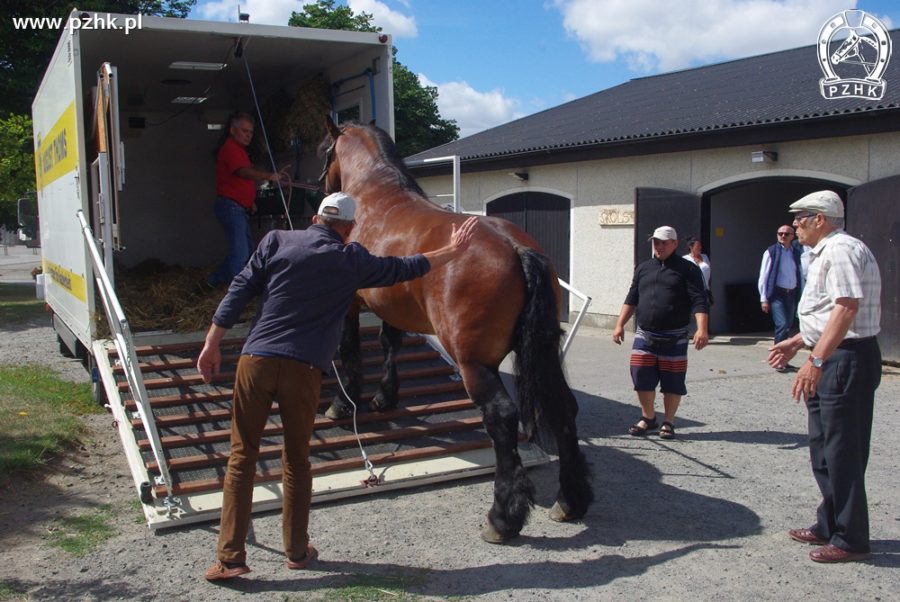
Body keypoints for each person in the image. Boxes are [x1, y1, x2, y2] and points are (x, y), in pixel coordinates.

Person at [199, 192, 478, 581]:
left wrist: (212, 342)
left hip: (255, 361)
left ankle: (230, 559)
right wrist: (452, 249)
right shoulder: (352, 260)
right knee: (296, 461)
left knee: (241, 456)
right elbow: (405, 268)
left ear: (315, 218)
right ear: (348, 228)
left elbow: (240, 288)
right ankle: (296, 552)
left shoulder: (276, 240)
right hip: (304, 367)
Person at [768, 190, 881, 564]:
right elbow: (827, 312)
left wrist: (815, 361)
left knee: (842, 451)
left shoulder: (840, 250)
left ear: (821, 219)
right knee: (823, 448)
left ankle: (851, 539)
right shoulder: (823, 252)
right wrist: (798, 341)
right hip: (832, 354)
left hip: (844, 359)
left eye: (801, 217)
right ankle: (829, 522)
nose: (795, 224)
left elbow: (847, 309)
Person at [612, 226, 709, 440]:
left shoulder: (688, 269)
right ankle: (648, 417)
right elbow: (632, 297)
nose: (659, 246)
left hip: (675, 336)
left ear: (674, 244)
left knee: (672, 381)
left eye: (664, 242)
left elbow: (699, 301)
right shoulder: (644, 268)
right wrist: (619, 324)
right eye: (656, 242)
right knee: (640, 375)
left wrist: (702, 328)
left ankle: (668, 421)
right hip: (645, 335)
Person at [208, 112, 290, 288]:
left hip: (238, 207)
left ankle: (214, 281)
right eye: (244, 131)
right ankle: (238, 292)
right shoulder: (231, 149)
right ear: (232, 130)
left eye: (251, 132)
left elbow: (239, 180)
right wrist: (270, 176)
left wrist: (249, 201)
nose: (248, 135)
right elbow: (242, 172)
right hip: (231, 207)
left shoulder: (239, 150)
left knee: (243, 251)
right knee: (241, 252)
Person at [757, 224, 803, 357]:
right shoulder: (771, 252)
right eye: (780, 233)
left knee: (788, 325)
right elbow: (764, 276)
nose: (783, 236)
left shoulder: (796, 252)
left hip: (792, 293)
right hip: (777, 294)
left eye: (786, 234)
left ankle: (783, 357)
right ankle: (778, 356)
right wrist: (763, 299)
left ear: (792, 236)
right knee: (782, 324)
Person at [683, 235, 712, 304]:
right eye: (698, 246)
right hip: (692, 292)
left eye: (700, 245)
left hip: (705, 291)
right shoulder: (685, 259)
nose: (700, 247)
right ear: (691, 247)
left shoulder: (705, 257)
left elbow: (709, 272)